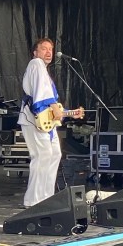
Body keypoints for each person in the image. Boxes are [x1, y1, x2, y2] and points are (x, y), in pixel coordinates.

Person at [18, 37, 82, 207]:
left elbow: (49, 105)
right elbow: (43, 96)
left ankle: (46, 197)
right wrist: (55, 107)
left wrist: (69, 113)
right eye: (44, 48)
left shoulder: (44, 72)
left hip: (43, 121)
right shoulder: (36, 64)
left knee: (54, 154)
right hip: (32, 119)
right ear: (35, 52)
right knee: (42, 156)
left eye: (50, 49)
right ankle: (33, 200)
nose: (48, 52)